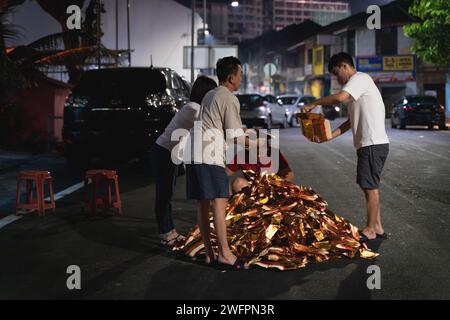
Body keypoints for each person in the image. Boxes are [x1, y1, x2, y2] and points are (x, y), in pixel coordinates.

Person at [300, 52, 389, 242]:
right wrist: (328, 136)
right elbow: (350, 122)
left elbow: (339, 97)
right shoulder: (357, 89)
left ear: (344, 66)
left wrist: (314, 103)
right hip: (370, 144)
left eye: (335, 72)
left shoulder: (360, 78)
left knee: (369, 186)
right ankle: (378, 227)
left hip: (372, 143)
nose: (336, 78)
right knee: (369, 185)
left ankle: (371, 229)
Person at [185, 56, 247, 269]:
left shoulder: (210, 95)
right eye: (240, 74)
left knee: (203, 204)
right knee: (220, 202)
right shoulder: (228, 97)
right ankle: (225, 254)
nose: (241, 78)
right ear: (231, 77)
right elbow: (236, 138)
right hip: (208, 156)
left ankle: (210, 254)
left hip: (192, 153)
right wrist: (257, 144)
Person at [151, 76, 217, 246]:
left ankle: (170, 230)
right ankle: (165, 232)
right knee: (164, 194)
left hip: (170, 153)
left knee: (168, 193)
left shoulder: (195, 108)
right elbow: (208, 128)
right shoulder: (193, 109)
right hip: (164, 152)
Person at [226, 130, 293, 193]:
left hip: (273, 189)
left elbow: (288, 175)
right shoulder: (242, 155)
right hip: (252, 190)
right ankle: (245, 204)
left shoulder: (274, 153)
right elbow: (224, 174)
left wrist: (278, 185)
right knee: (238, 183)